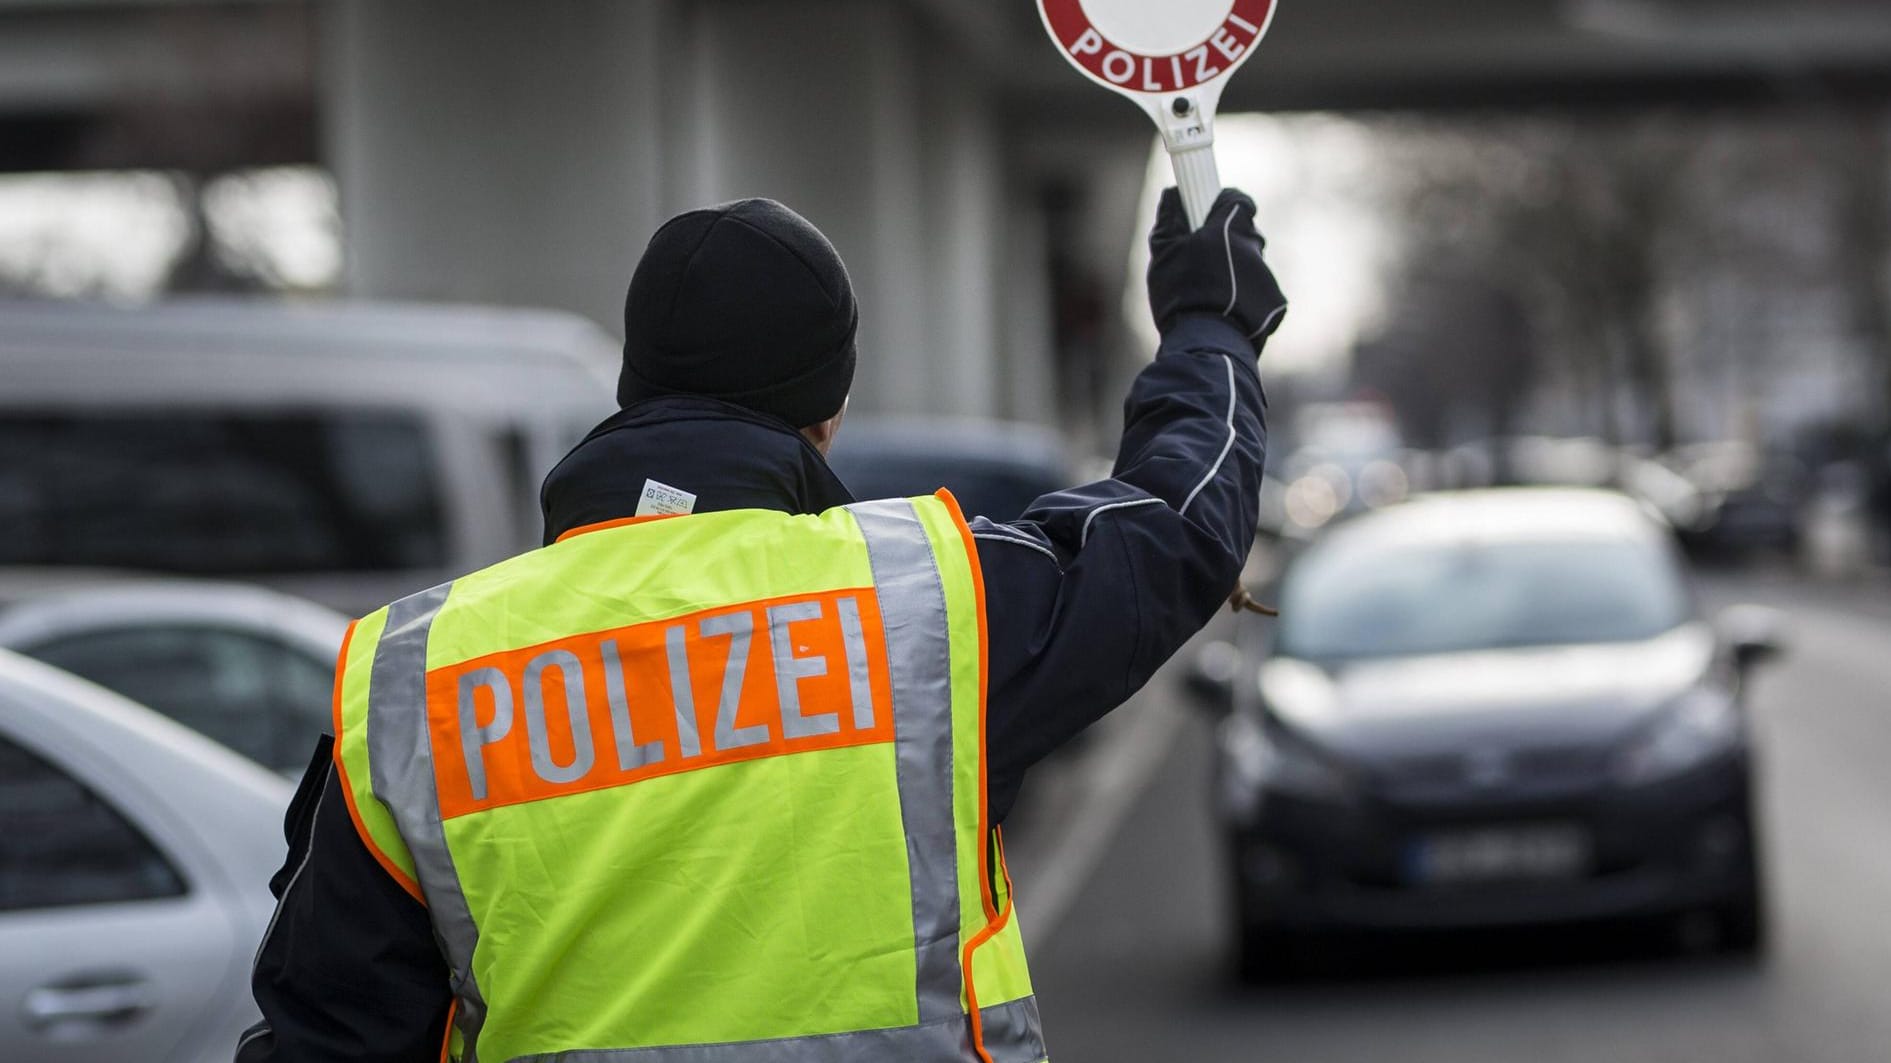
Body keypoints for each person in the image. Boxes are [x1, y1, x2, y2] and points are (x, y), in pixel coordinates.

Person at [240, 187, 1285, 1063]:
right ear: (827, 409)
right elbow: (1176, 523)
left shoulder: (417, 678)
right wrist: (1210, 329)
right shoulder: (925, 606)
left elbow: (326, 1032)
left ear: (632, 388)